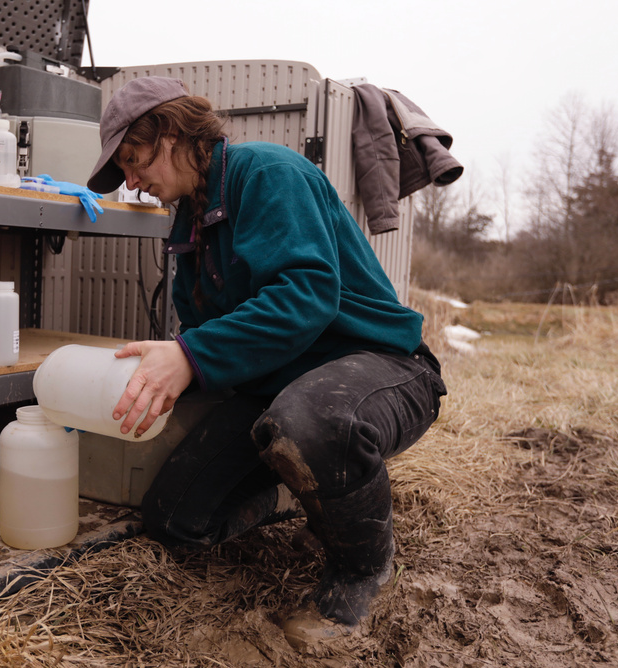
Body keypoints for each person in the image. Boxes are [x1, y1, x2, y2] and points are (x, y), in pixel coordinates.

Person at [85, 76, 448, 645]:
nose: (132, 183)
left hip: (379, 366)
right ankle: (314, 498)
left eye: (134, 160)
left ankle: (360, 574)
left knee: (313, 422)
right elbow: (211, 331)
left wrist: (189, 355)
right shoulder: (190, 223)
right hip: (283, 386)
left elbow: (306, 296)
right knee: (177, 518)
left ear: (174, 134)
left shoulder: (267, 173)